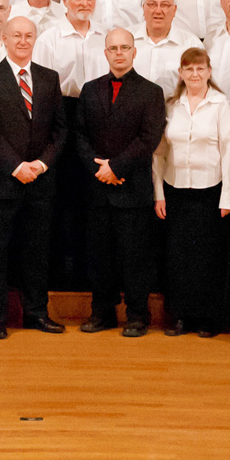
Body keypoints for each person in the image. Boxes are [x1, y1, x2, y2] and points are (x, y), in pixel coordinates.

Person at [0, 16, 68, 337]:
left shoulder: (49, 78)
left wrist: (40, 165)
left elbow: (60, 130)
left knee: (37, 252)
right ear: (4, 39)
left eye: (28, 36)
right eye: (17, 36)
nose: (23, 41)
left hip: (41, 183)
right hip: (3, 183)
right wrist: (17, 166)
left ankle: (36, 314)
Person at [76, 29, 167, 336]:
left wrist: (116, 166)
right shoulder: (89, 90)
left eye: (124, 47)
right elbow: (80, 135)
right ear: (105, 53)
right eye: (113, 48)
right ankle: (102, 314)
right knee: (99, 256)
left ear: (134, 52)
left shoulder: (151, 92)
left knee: (135, 257)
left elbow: (149, 138)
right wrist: (99, 169)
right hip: (97, 188)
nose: (119, 53)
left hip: (133, 187)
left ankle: (138, 316)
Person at [154, 47, 230, 336]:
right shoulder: (172, 105)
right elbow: (160, 153)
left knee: (207, 256)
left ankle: (208, 317)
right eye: (189, 69)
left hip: (209, 190)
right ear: (181, 73)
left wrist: (228, 196)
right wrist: (159, 193)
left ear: (209, 72)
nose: (195, 74)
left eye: (200, 68)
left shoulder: (220, 104)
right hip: (175, 189)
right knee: (178, 256)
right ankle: (181, 315)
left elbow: (228, 151)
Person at [33, 0, 107, 291]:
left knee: (92, 200)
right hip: (60, 116)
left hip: (97, 120)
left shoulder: (106, 36)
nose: (83, 2)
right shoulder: (49, 39)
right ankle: (59, 275)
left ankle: (90, 275)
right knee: (59, 198)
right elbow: (42, 90)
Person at [132, 0, 199, 93]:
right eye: (152, 4)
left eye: (164, 5)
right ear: (144, 8)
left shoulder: (191, 45)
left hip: (173, 108)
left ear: (174, 10)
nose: (158, 11)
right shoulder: (126, 40)